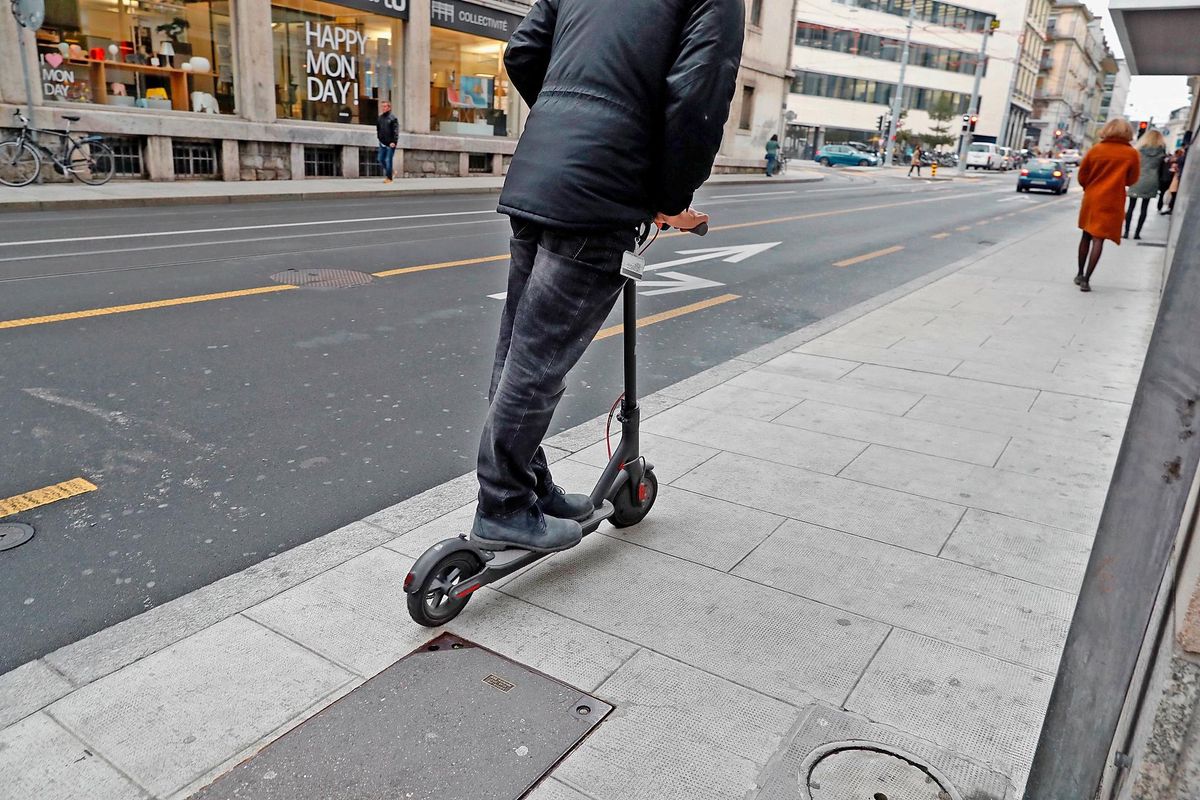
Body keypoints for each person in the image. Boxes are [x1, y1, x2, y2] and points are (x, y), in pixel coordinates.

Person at [472, 0, 744, 552]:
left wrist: (566, 119)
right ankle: (502, 504)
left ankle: (526, 485)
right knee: (539, 360)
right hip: (604, 190)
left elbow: (523, 52)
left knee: (517, 349)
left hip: (542, 170)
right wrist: (669, 198)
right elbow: (697, 99)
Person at [1075, 118, 1139, 292]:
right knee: (1099, 239)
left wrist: (1089, 186)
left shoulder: (1096, 150)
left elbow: (1082, 175)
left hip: (1092, 197)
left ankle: (1080, 273)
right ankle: (1087, 280)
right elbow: (1132, 179)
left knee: (1086, 235)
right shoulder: (1131, 154)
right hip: (1113, 199)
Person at [1124, 128, 1167, 240]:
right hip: (1152, 180)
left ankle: (1126, 232)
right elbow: (1162, 168)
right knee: (1144, 208)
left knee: (1131, 207)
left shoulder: (1138, 150)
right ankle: (1137, 233)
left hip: (1137, 178)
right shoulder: (1161, 151)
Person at [376, 101, 399, 183]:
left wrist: (394, 141)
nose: (383, 108)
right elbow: (378, 129)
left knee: (388, 160)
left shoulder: (393, 118)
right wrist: (379, 138)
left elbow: (396, 131)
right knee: (380, 159)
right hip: (382, 142)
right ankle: (392, 172)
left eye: (385, 106)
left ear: (389, 108)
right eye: (382, 106)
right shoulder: (380, 118)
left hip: (390, 143)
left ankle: (389, 178)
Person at [1163, 146, 1187, 215]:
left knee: (1173, 193)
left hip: (1177, 178)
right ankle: (1170, 207)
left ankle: (1170, 207)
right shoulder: (1182, 158)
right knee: (1173, 193)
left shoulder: (1181, 158)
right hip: (1176, 177)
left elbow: (1173, 160)